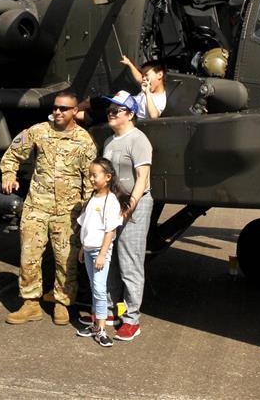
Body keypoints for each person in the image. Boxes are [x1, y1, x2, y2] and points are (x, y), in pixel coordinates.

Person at [0, 90, 98, 326]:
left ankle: (62, 304)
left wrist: (86, 213)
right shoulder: (38, 131)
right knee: (29, 256)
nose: (57, 111)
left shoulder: (84, 141)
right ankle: (30, 303)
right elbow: (13, 153)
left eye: (64, 108)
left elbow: (90, 180)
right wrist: (8, 175)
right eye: (55, 107)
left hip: (68, 211)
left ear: (75, 111)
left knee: (66, 261)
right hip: (37, 206)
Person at [101, 90, 153, 341]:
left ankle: (132, 319)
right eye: (110, 109)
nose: (111, 113)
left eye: (117, 109)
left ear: (131, 114)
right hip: (113, 205)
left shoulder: (138, 140)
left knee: (130, 261)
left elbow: (142, 179)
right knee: (110, 259)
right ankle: (110, 311)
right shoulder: (109, 141)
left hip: (135, 205)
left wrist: (128, 208)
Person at [75, 158, 127, 348]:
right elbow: (87, 226)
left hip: (99, 251)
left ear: (107, 177)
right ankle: (96, 325)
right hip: (89, 250)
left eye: (94, 175)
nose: (91, 178)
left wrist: (102, 254)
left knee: (99, 289)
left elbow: (110, 230)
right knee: (93, 287)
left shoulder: (110, 201)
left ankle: (102, 329)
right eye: (90, 175)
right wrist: (83, 248)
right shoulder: (93, 198)